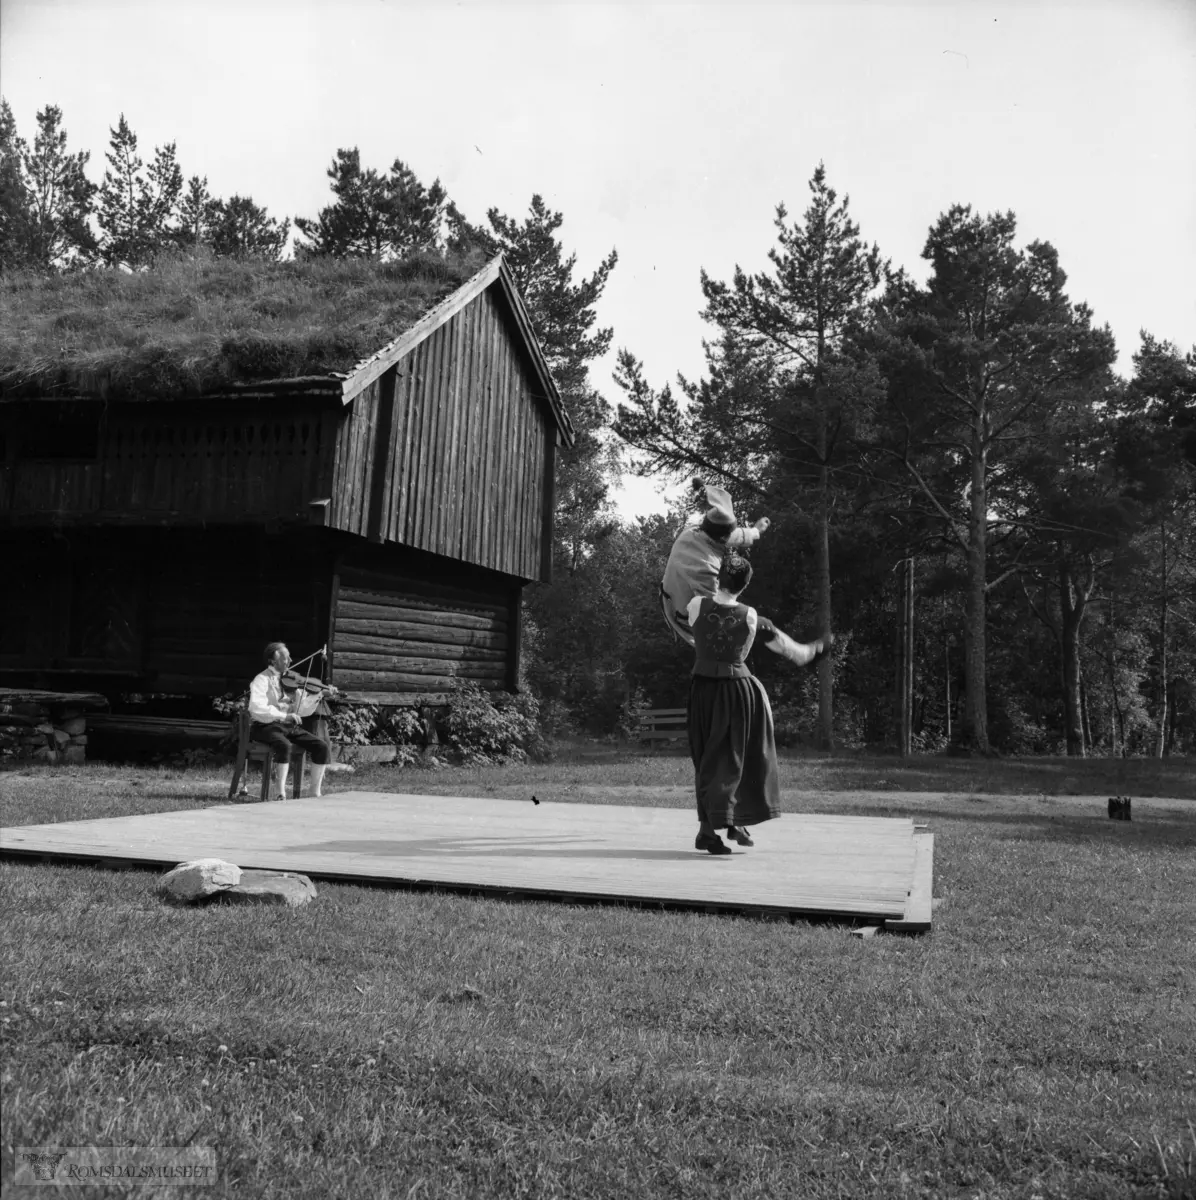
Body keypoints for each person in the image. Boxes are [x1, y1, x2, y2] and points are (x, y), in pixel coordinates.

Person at [687, 550, 830, 854]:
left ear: (718, 576)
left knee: (707, 759)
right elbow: (798, 654)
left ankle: (712, 829)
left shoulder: (696, 605)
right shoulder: (752, 618)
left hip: (701, 692)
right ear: (746, 583)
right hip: (736, 693)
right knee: (735, 758)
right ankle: (725, 824)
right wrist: (816, 649)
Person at [661, 482, 770, 647]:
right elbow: (719, 615)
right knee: (761, 625)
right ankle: (799, 653)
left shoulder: (696, 531)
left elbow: (733, 535)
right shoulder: (705, 570)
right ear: (722, 538)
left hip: (673, 592)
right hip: (683, 616)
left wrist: (755, 531)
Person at [248, 642, 334, 800]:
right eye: (285, 658)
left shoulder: (291, 680)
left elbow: (303, 709)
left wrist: (320, 694)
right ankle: (280, 793)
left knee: (321, 746)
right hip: (266, 726)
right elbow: (256, 706)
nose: (290, 661)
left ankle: (314, 793)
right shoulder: (261, 679)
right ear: (273, 661)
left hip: (289, 727)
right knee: (284, 745)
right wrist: (283, 716)